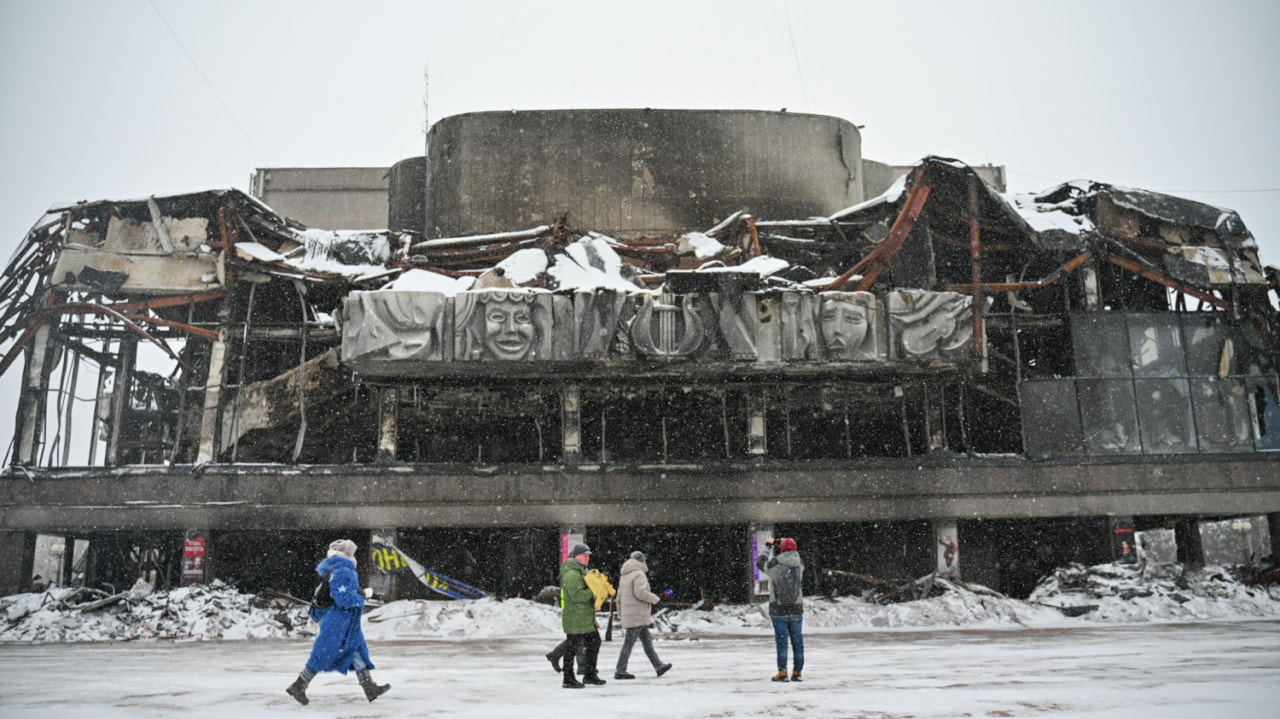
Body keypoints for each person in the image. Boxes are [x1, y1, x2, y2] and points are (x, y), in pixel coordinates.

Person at [286, 539, 390, 705]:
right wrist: (362, 597)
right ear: (346, 555)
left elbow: (344, 592)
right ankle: (299, 685)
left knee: (356, 651)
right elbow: (344, 599)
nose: (354, 556)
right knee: (324, 653)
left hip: (344, 621)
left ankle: (369, 687)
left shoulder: (336, 570)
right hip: (339, 621)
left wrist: (363, 593)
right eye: (352, 553)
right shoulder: (343, 571)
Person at [613, 551, 672, 680]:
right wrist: (655, 598)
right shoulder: (639, 574)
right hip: (637, 614)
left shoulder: (625, 575)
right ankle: (620, 670)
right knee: (629, 643)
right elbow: (640, 593)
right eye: (645, 560)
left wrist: (621, 612)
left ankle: (658, 666)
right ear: (641, 561)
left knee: (647, 642)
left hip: (632, 614)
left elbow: (619, 596)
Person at [757, 537, 804, 682]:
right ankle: (797, 672)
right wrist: (787, 543)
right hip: (796, 610)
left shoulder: (775, 564)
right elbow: (792, 554)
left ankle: (782, 673)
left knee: (782, 642)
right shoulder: (800, 564)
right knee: (797, 642)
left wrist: (768, 546)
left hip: (779, 610)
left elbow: (760, 562)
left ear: (782, 549)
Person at [559, 543, 606, 688]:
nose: (587, 558)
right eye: (584, 555)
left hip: (584, 617)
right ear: (576, 556)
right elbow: (577, 596)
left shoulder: (581, 571)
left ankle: (590, 674)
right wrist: (594, 591)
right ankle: (568, 678)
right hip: (575, 617)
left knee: (594, 642)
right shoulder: (571, 573)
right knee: (572, 648)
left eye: (588, 556)